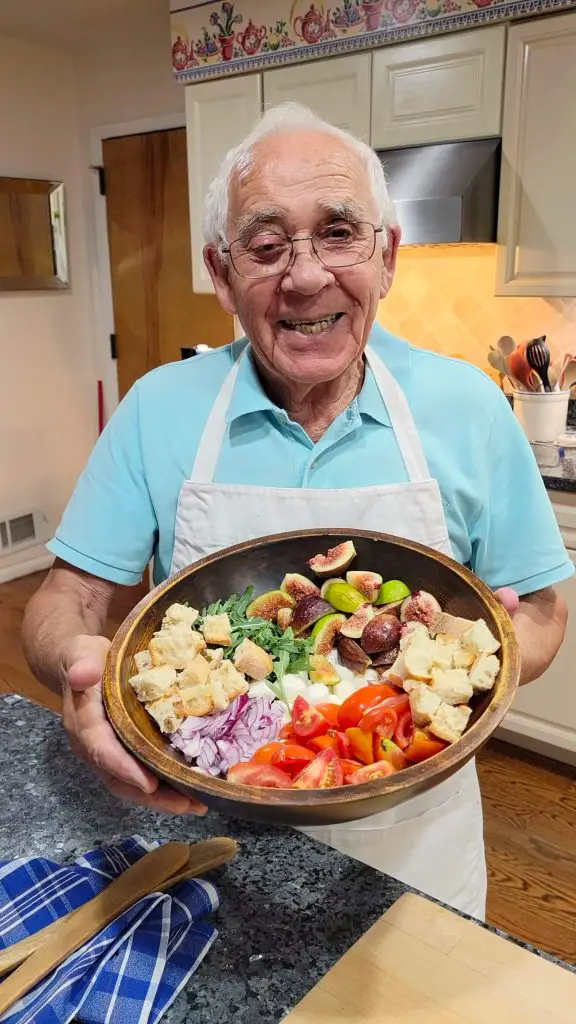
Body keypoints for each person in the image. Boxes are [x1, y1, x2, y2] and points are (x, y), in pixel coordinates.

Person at [22, 103, 571, 919]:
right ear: (220, 271)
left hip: (415, 835)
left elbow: (544, 614)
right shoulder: (158, 408)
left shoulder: (469, 406)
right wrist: (80, 672)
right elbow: (62, 601)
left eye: (339, 232)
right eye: (267, 245)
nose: (306, 276)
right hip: (206, 835)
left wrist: (468, 669)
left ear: (387, 256)